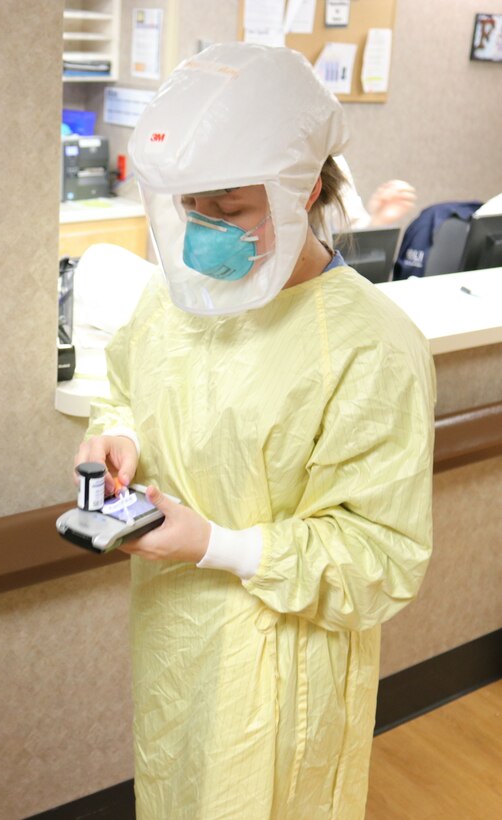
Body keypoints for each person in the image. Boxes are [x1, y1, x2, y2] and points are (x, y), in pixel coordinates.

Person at [74, 43, 435, 818]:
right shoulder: (179, 298)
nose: (204, 233)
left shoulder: (368, 346)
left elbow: (381, 556)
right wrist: (118, 436)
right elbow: (130, 388)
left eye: (229, 210)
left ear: (299, 189)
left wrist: (219, 545)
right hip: (176, 639)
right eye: (191, 210)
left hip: (285, 669)